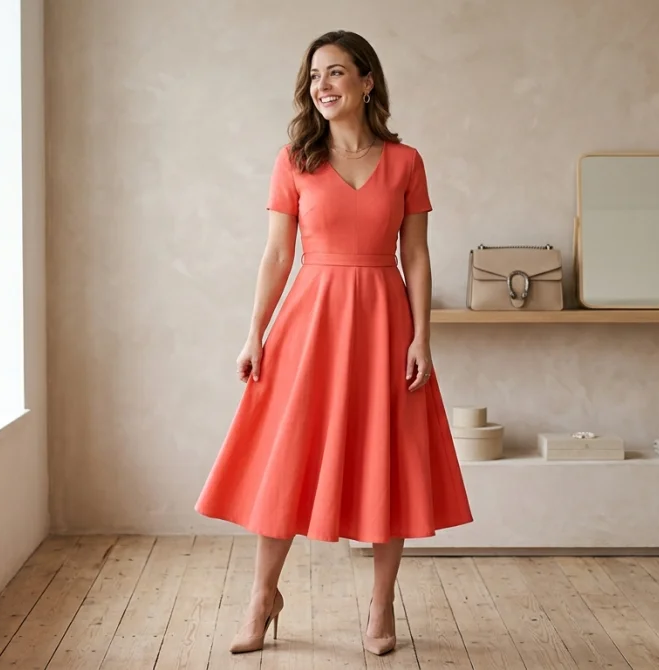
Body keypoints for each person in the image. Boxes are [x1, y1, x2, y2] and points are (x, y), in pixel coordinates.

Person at [194, 29, 473, 656]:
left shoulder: (406, 162)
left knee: (388, 457)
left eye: (337, 72)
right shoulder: (295, 160)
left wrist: (422, 337)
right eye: (316, 75)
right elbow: (276, 254)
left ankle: (379, 608)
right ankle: (263, 597)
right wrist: (254, 334)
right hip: (309, 323)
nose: (323, 85)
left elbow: (418, 256)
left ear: (367, 82)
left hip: (383, 319)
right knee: (287, 458)